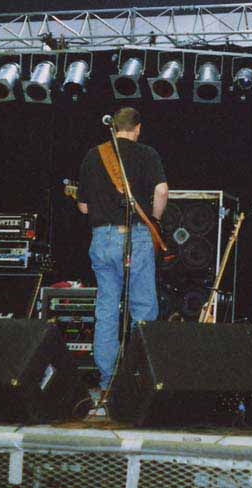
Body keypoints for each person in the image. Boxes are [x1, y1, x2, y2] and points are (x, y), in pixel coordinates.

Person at [77, 107, 168, 397]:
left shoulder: (93, 155)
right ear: (137, 128)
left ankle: (107, 382)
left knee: (106, 308)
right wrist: (154, 218)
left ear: (114, 127)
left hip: (102, 239)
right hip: (136, 237)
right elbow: (162, 191)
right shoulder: (147, 154)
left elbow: (83, 206)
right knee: (143, 308)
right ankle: (141, 380)